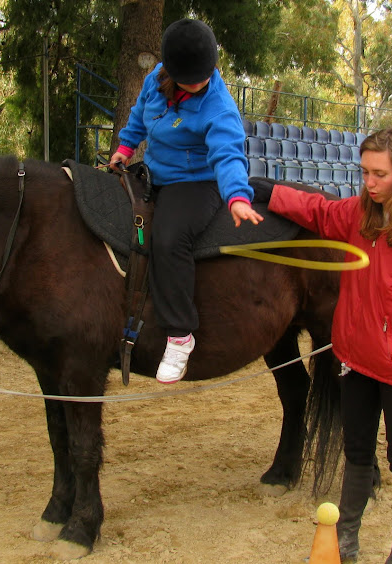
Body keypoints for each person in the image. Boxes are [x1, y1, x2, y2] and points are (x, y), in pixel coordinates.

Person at [267, 127, 392, 564]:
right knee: (356, 455)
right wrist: (269, 191)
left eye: (380, 174)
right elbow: (317, 210)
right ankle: (347, 539)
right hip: (354, 362)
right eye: (364, 173)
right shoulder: (359, 215)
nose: (369, 183)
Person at [109, 18, 263, 384]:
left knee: (167, 238)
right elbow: (139, 115)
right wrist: (126, 147)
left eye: (203, 76)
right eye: (189, 77)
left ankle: (180, 336)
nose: (198, 83)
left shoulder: (219, 106)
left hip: (197, 183)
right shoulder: (157, 77)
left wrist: (238, 197)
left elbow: (228, 155)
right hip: (157, 173)